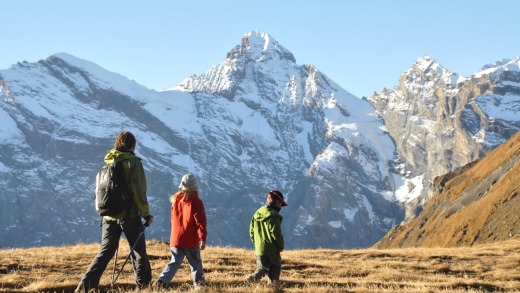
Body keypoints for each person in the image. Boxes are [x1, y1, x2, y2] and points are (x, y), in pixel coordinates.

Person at [75, 131, 153, 292]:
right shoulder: (133, 163)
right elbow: (139, 191)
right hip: (129, 215)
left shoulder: (108, 163)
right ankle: (144, 288)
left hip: (109, 216)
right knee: (138, 252)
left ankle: (84, 288)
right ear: (133, 146)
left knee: (105, 252)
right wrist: (146, 214)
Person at [153, 174, 207, 290]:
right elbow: (200, 223)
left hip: (176, 239)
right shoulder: (196, 202)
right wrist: (202, 238)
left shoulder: (175, 201)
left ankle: (161, 282)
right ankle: (200, 286)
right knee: (196, 264)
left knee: (174, 263)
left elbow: (174, 221)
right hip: (190, 240)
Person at [245, 190, 287, 288]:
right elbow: (276, 233)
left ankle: (251, 280)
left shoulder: (257, 213)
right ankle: (273, 288)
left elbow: (251, 231)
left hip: (260, 247)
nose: (280, 207)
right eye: (281, 204)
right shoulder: (273, 216)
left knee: (262, 268)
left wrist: (257, 243)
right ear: (277, 203)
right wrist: (281, 246)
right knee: (275, 268)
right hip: (272, 248)